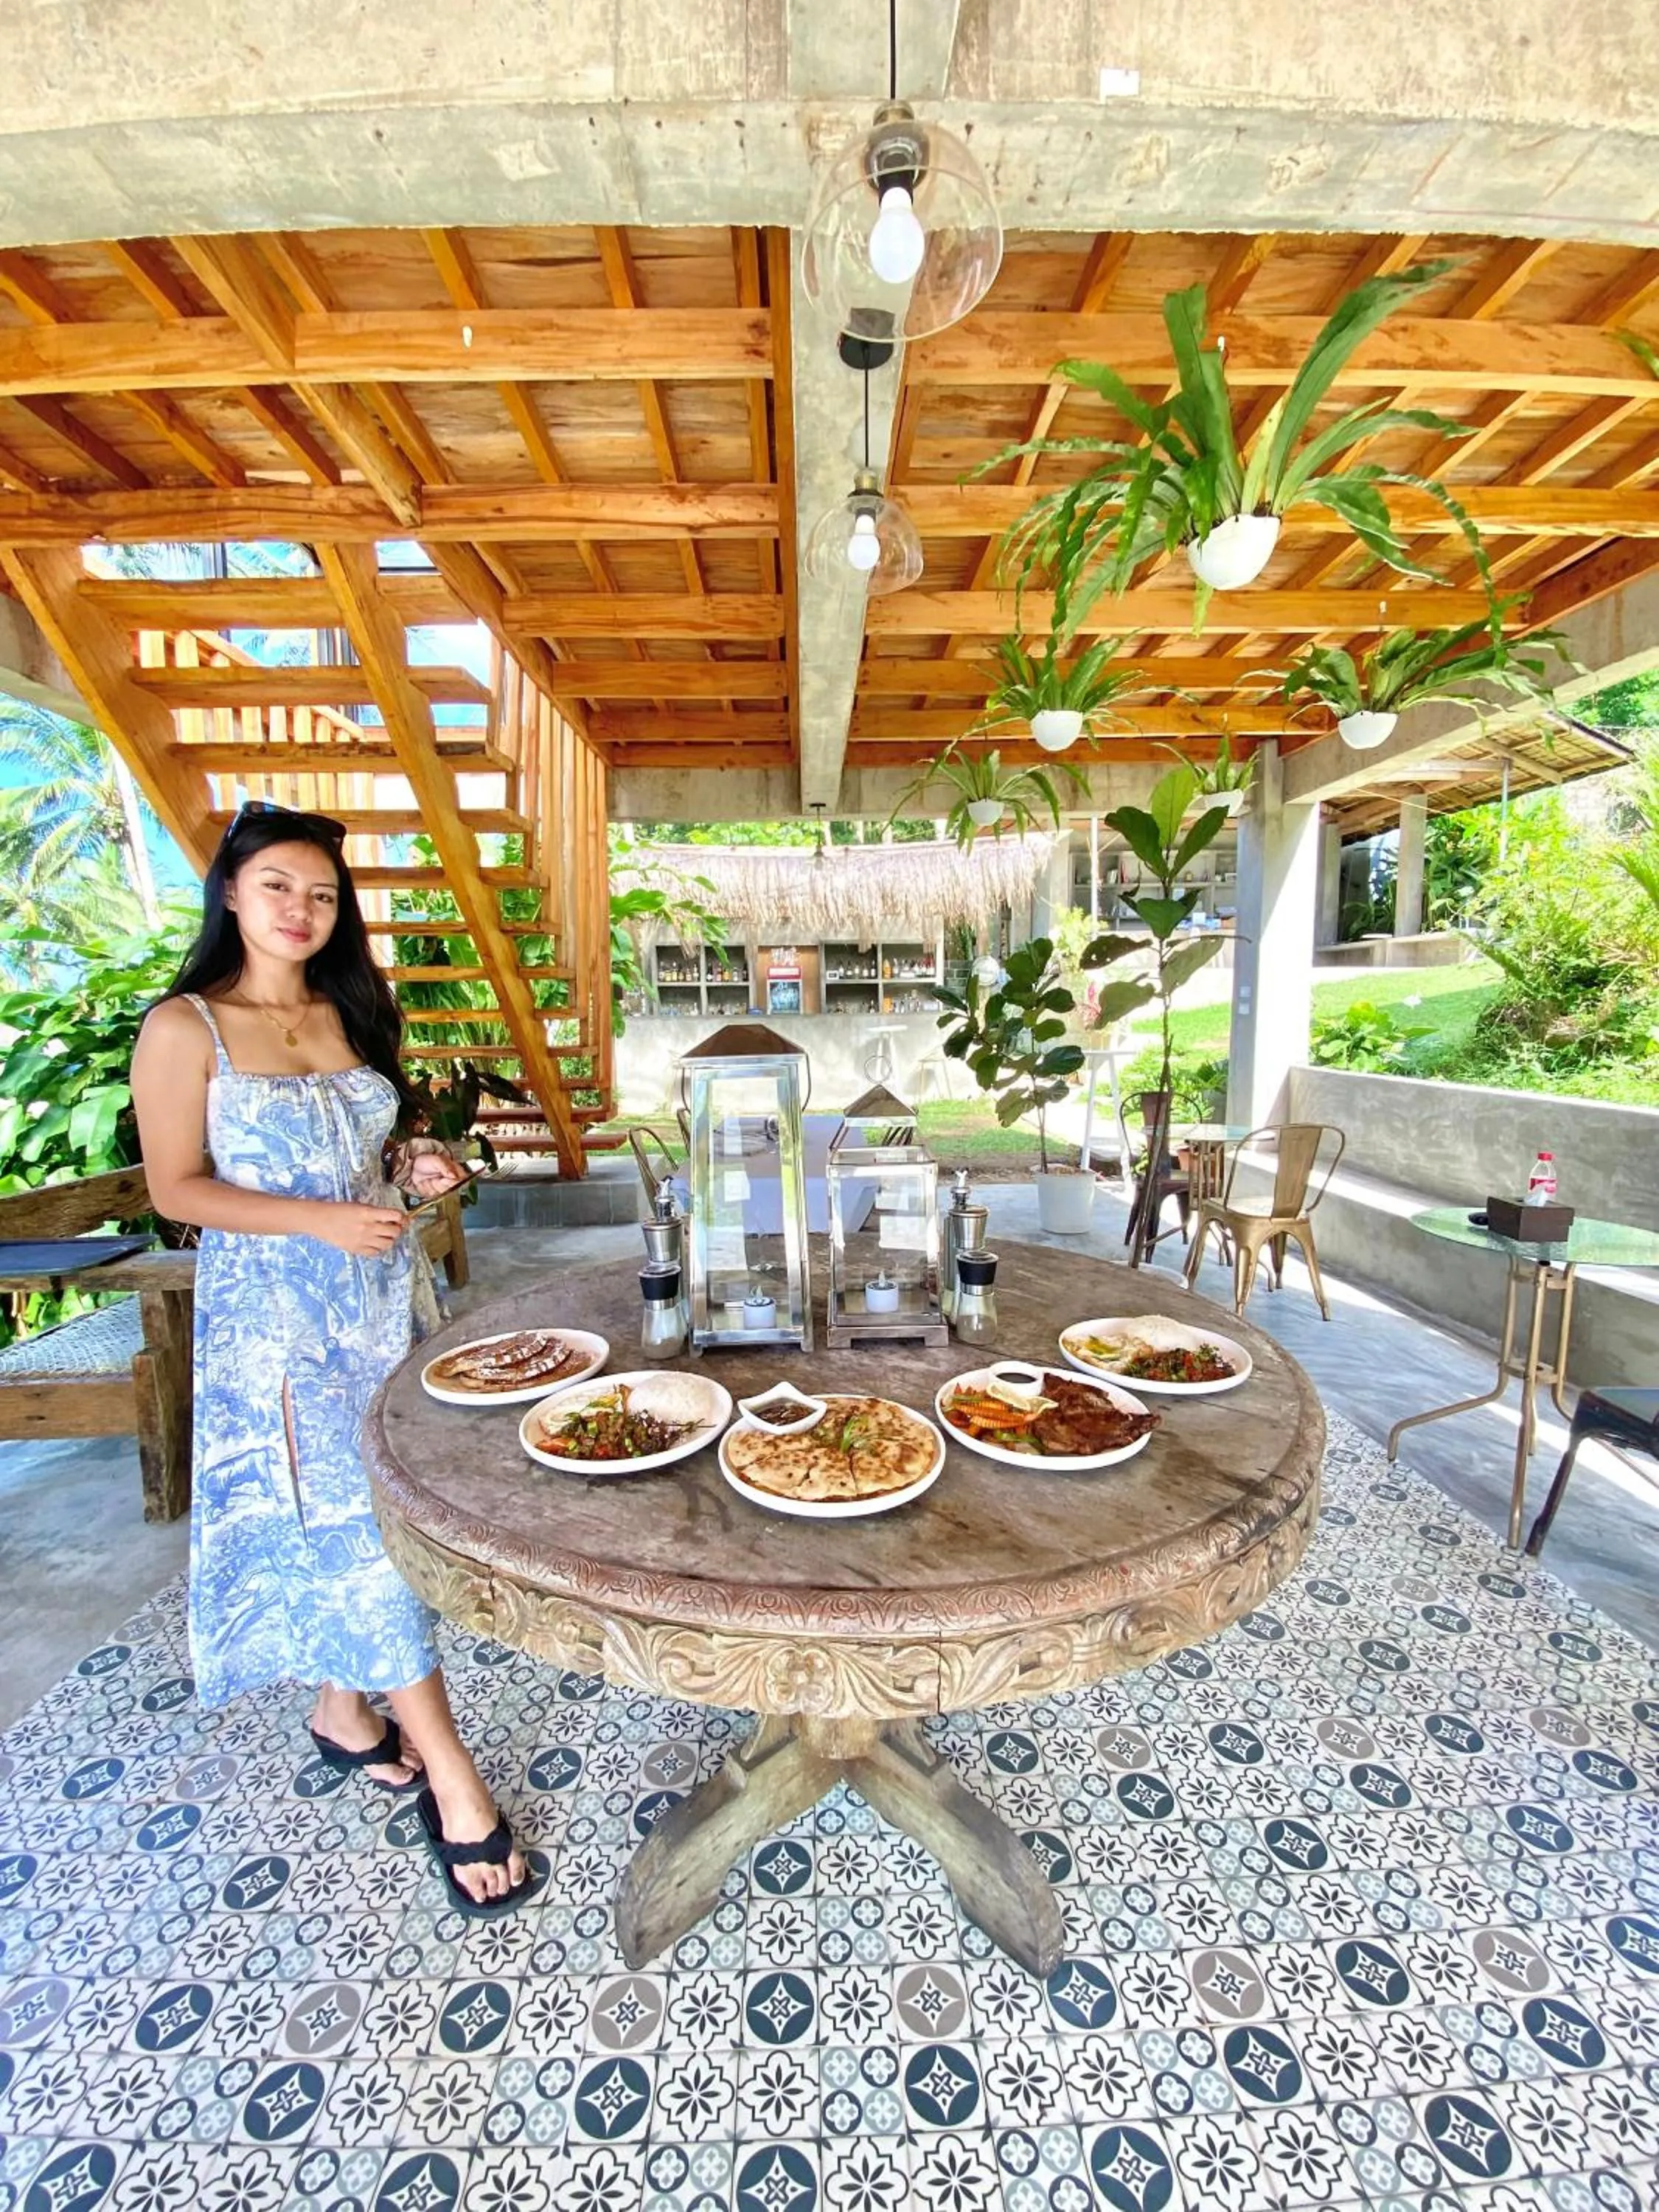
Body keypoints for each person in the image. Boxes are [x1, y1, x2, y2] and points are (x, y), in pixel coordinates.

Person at [131, 799, 534, 1917]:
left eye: (320, 893)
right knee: (353, 1532)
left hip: (376, 1299)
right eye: (277, 888)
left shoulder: (349, 1009)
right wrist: (318, 1222)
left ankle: (342, 1711)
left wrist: (416, 1170)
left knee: (383, 1508)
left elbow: (374, 1151)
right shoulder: (185, 1029)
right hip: (278, 1325)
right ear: (230, 895)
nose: (301, 910)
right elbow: (178, 1192)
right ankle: (453, 1780)